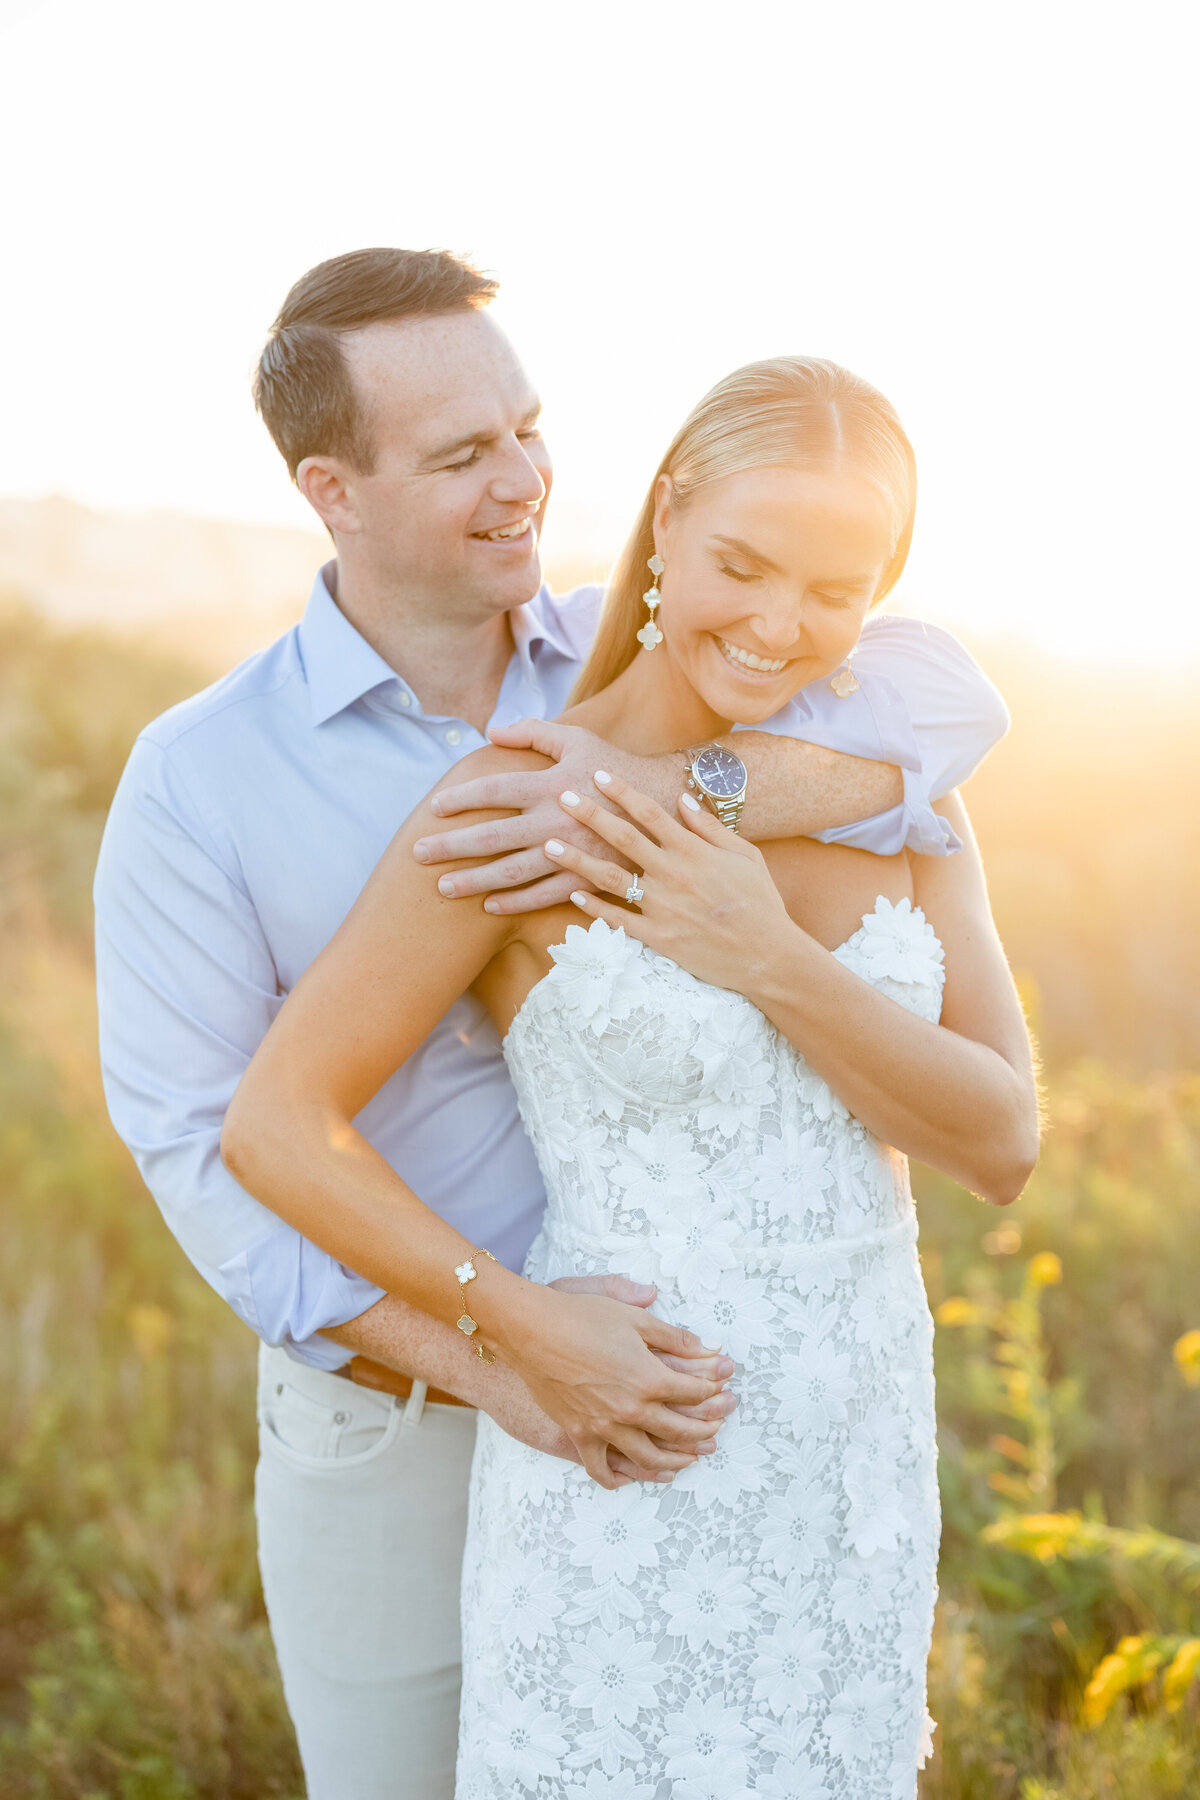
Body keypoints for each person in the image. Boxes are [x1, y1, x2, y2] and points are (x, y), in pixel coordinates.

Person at [94, 248, 1011, 1799]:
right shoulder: (203, 780)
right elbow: (211, 1150)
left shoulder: (678, 652)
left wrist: (692, 793)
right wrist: (509, 1353)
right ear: (333, 487)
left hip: (724, 1408)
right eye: (464, 456)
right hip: (403, 1396)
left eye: (529, 428)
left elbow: (935, 705)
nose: (521, 478)